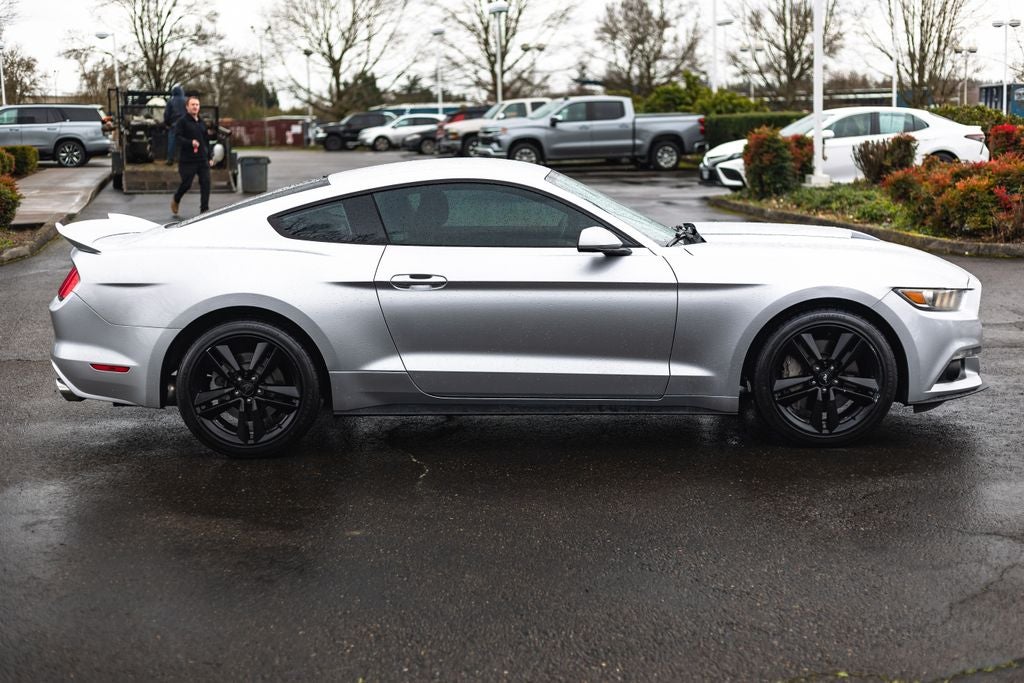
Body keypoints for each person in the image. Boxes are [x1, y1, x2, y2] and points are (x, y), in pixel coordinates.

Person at [170, 96, 214, 216]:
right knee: (186, 184)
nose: (195, 107)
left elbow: (206, 141)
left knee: (206, 183)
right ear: (187, 107)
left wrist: (210, 157)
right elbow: (177, 138)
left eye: (197, 105)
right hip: (188, 160)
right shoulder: (182, 122)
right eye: (193, 105)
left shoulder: (201, 123)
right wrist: (190, 142)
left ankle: (204, 210)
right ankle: (176, 199)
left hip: (202, 159)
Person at [163, 85, 186, 166]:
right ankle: (185, 158)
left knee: (172, 142)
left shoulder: (170, 101)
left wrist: (167, 123)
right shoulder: (186, 100)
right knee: (185, 141)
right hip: (185, 124)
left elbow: (167, 114)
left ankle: (170, 159)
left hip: (174, 124)